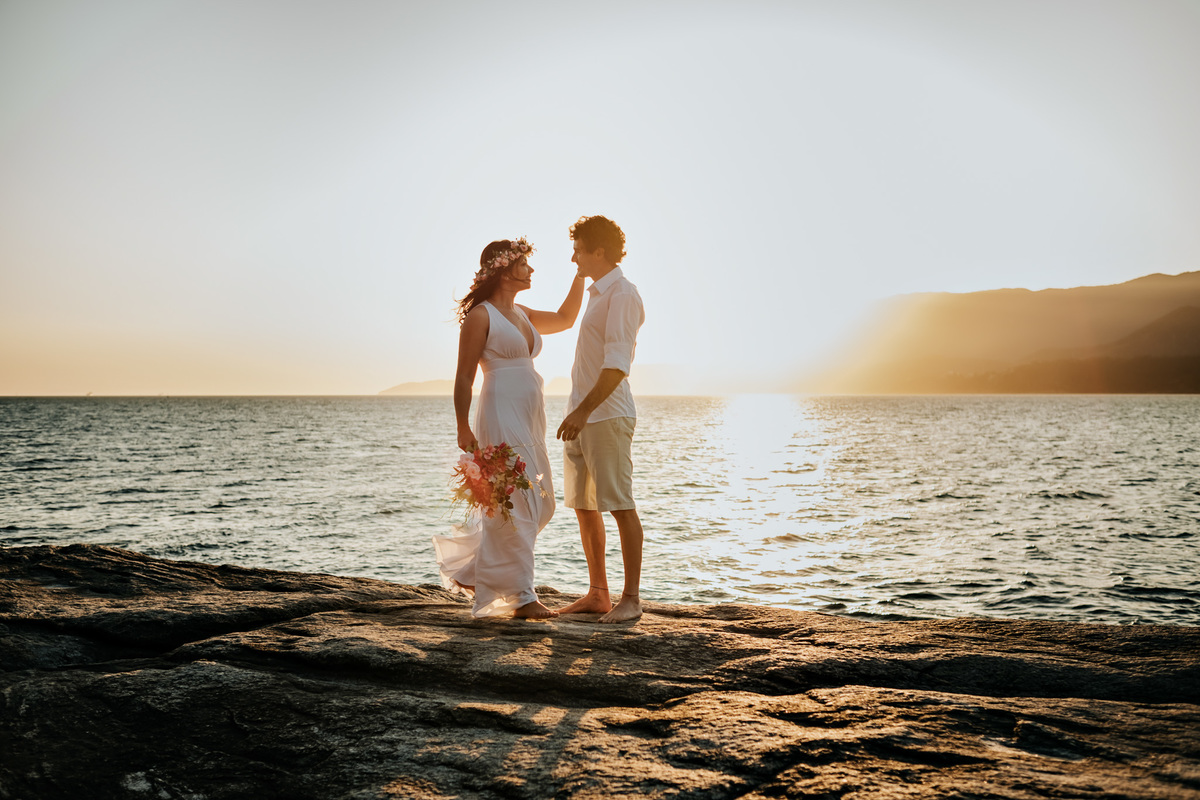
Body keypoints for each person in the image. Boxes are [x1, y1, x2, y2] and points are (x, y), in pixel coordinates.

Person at [434, 238, 583, 619]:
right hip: (500, 412)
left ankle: (474, 572)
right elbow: (464, 376)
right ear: (503, 270)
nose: (531, 270)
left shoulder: (523, 313)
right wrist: (462, 425)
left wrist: (581, 275)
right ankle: (522, 597)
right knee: (516, 502)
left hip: (530, 416)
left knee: (543, 504)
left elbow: (566, 318)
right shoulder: (481, 316)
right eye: (523, 264)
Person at [555, 216, 646, 623]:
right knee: (584, 506)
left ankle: (631, 599)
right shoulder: (597, 293)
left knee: (620, 505)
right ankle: (598, 594)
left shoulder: (622, 294)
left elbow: (617, 366)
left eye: (578, 250)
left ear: (599, 251)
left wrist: (583, 411)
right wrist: (577, 412)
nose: (573, 257)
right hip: (581, 416)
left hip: (605, 415)